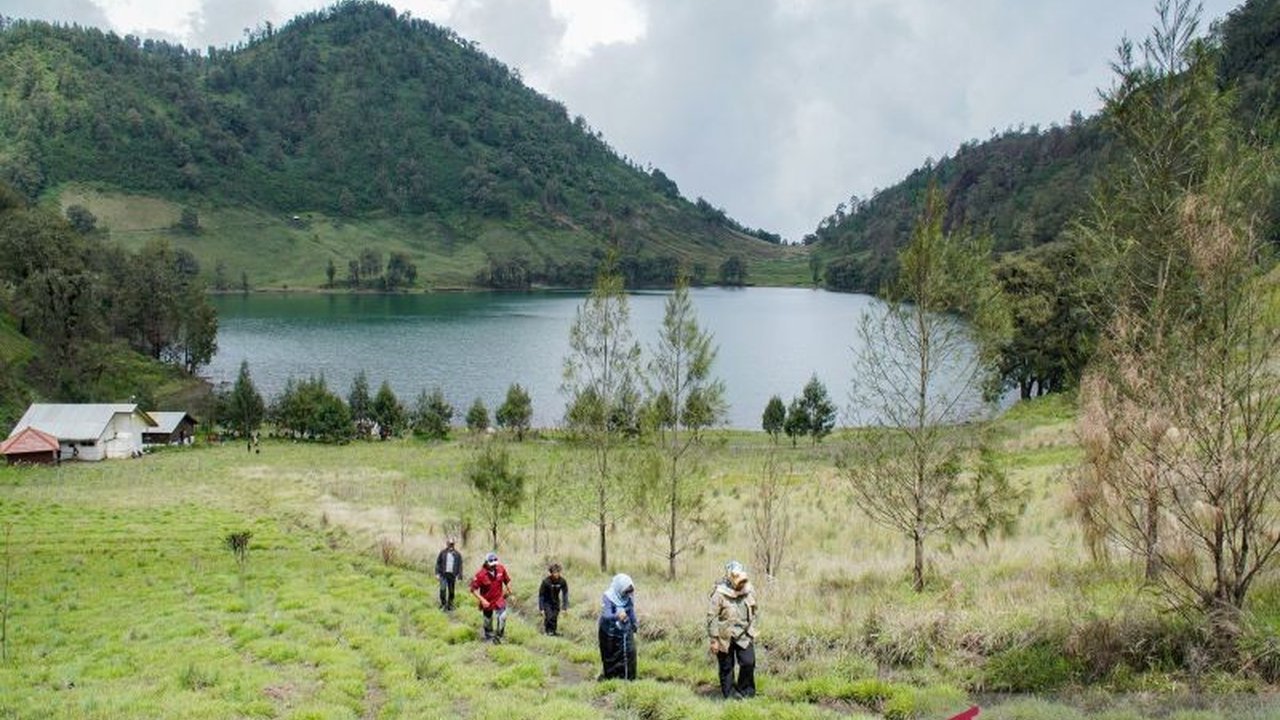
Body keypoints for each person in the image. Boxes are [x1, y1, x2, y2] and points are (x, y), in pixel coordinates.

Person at [707, 560, 757, 699]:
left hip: (744, 634)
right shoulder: (719, 593)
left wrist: (753, 629)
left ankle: (745, 691)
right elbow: (712, 617)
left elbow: (754, 611)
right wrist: (714, 640)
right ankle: (729, 695)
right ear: (730, 577)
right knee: (726, 667)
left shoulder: (749, 590)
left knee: (748, 662)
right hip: (725, 636)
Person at [597, 573, 637, 680]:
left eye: (629, 592)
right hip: (608, 631)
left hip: (624, 630)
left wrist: (634, 624)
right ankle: (610, 678)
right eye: (625, 592)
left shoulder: (628, 596)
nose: (628, 595)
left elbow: (631, 610)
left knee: (629, 653)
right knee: (611, 656)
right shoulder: (609, 596)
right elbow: (606, 614)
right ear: (620, 588)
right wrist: (617, 615)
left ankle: (628, 679)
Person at [469, 552, 511, 643]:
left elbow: (507, 580)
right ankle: (489, 635)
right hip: (487, 600)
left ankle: (499, 636)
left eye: (495, 564)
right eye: (491, 565)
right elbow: (473, 589)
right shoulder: (480, 575)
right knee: (488, 620)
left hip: (499, 598)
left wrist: (509, 590)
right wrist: (482, 600)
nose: (493, 566)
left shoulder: (501, 569)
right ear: (486, 563)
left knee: (503, 617)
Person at [538, 563, 570, 635]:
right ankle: (548, 631)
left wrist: (565, 607)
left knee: (554, 617)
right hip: (547, 602)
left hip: (556, 602)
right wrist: (541, 608)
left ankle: (553, 632)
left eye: (557, 572)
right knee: (549, 616)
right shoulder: (546, 582)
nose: (556, 574)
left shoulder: (562, 581)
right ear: (551, 573)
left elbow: (565, 594)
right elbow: (541, 595)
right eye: (554, 573)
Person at [434, 537, 463, 611]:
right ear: (447, 544)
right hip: (443, 575)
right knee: (442, 589)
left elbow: (460, 566)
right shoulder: (442, 553)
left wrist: (459, 576)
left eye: (452, 544)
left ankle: (450, 604)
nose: (451, 545)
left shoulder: (457, 554)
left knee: (451, 591)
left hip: (452, 575)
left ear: (454, 545)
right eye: (449, 544)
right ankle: (443, 604)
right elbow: (438, 563)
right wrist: (437, 573)